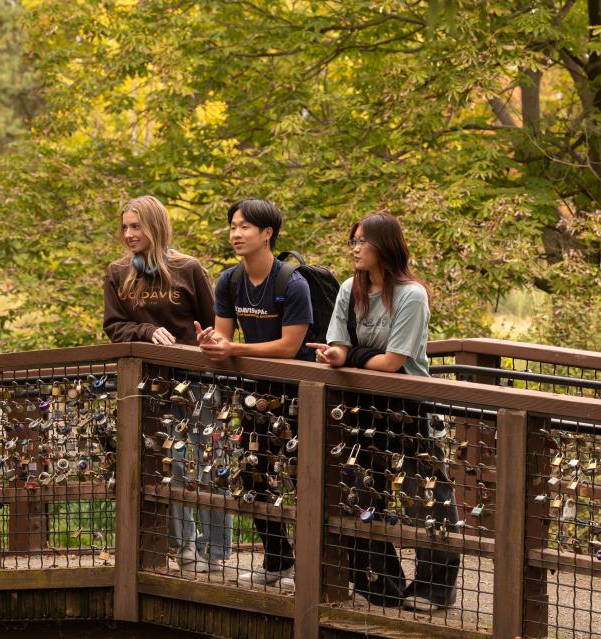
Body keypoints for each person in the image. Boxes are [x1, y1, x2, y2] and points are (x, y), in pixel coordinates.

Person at [309, 212, 460, 612]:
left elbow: (393, 362)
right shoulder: (347, 289)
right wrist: (341, 356)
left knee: (426, 495)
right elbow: (335, 346)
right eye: (353, 241)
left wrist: (349, 357)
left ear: (385, 246)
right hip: (361, 405)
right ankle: (381, 582)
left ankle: (435, 588)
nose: (356, 249)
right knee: (361, 489)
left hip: (406, 405)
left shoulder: (411, 295)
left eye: (363, 241)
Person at [102, 195, 231, 574]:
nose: (129, 233)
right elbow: (113, 327)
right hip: (151, 384)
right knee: (170, 465)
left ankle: (215, 553)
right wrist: (145, 330)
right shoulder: (117, 272)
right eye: (125, 226)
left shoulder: (187, 268)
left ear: (156, 226)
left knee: (210, 463)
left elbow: (216, 326)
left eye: (136, 226)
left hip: (198, 381)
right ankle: (185, 550)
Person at [196, 198, 314, 588]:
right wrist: (211, 342)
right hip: (254, 394)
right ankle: (277, 562)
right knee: (254, 476)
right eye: (232, 226)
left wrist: (234, 349)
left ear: (267, 234)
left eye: (245, 226)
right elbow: (224, 338)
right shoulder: (229, 281)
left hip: (300, 394)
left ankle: (317, 569)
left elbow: (289, 346)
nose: (235, 233)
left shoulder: (292, 283)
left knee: (304, 478)